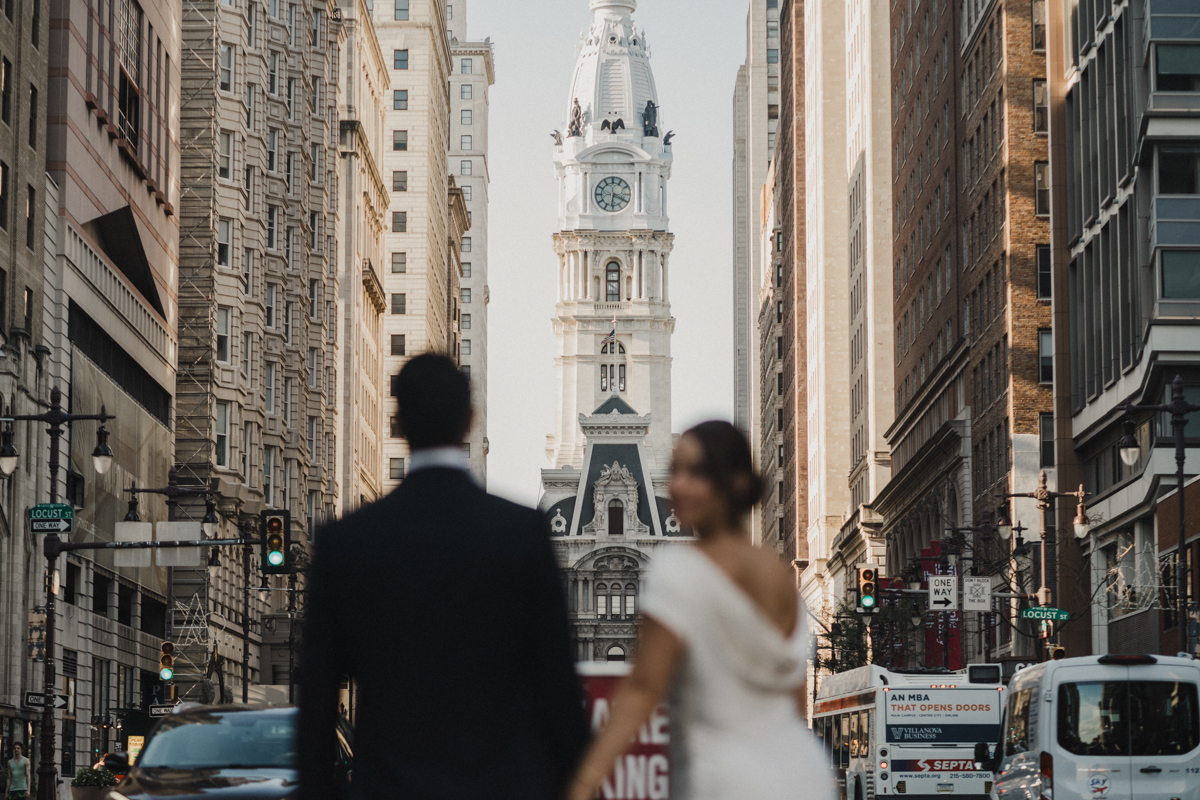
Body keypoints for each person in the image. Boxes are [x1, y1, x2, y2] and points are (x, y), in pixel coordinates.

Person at [297, 353, 588, 800]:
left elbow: (316, 707)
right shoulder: (523, 535)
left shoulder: (345, 543)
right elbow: (559, 693)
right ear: (470, 420)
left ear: (397, 424)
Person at [568, 421, 835, 800]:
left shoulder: (677, 568)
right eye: (675, 470)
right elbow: (792, 703)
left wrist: (581, 784)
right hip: (802, 776)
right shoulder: (780, 577)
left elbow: (642, 691)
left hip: (722, 779)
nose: (677, 485)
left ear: (735, 483)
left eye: (696, 473)